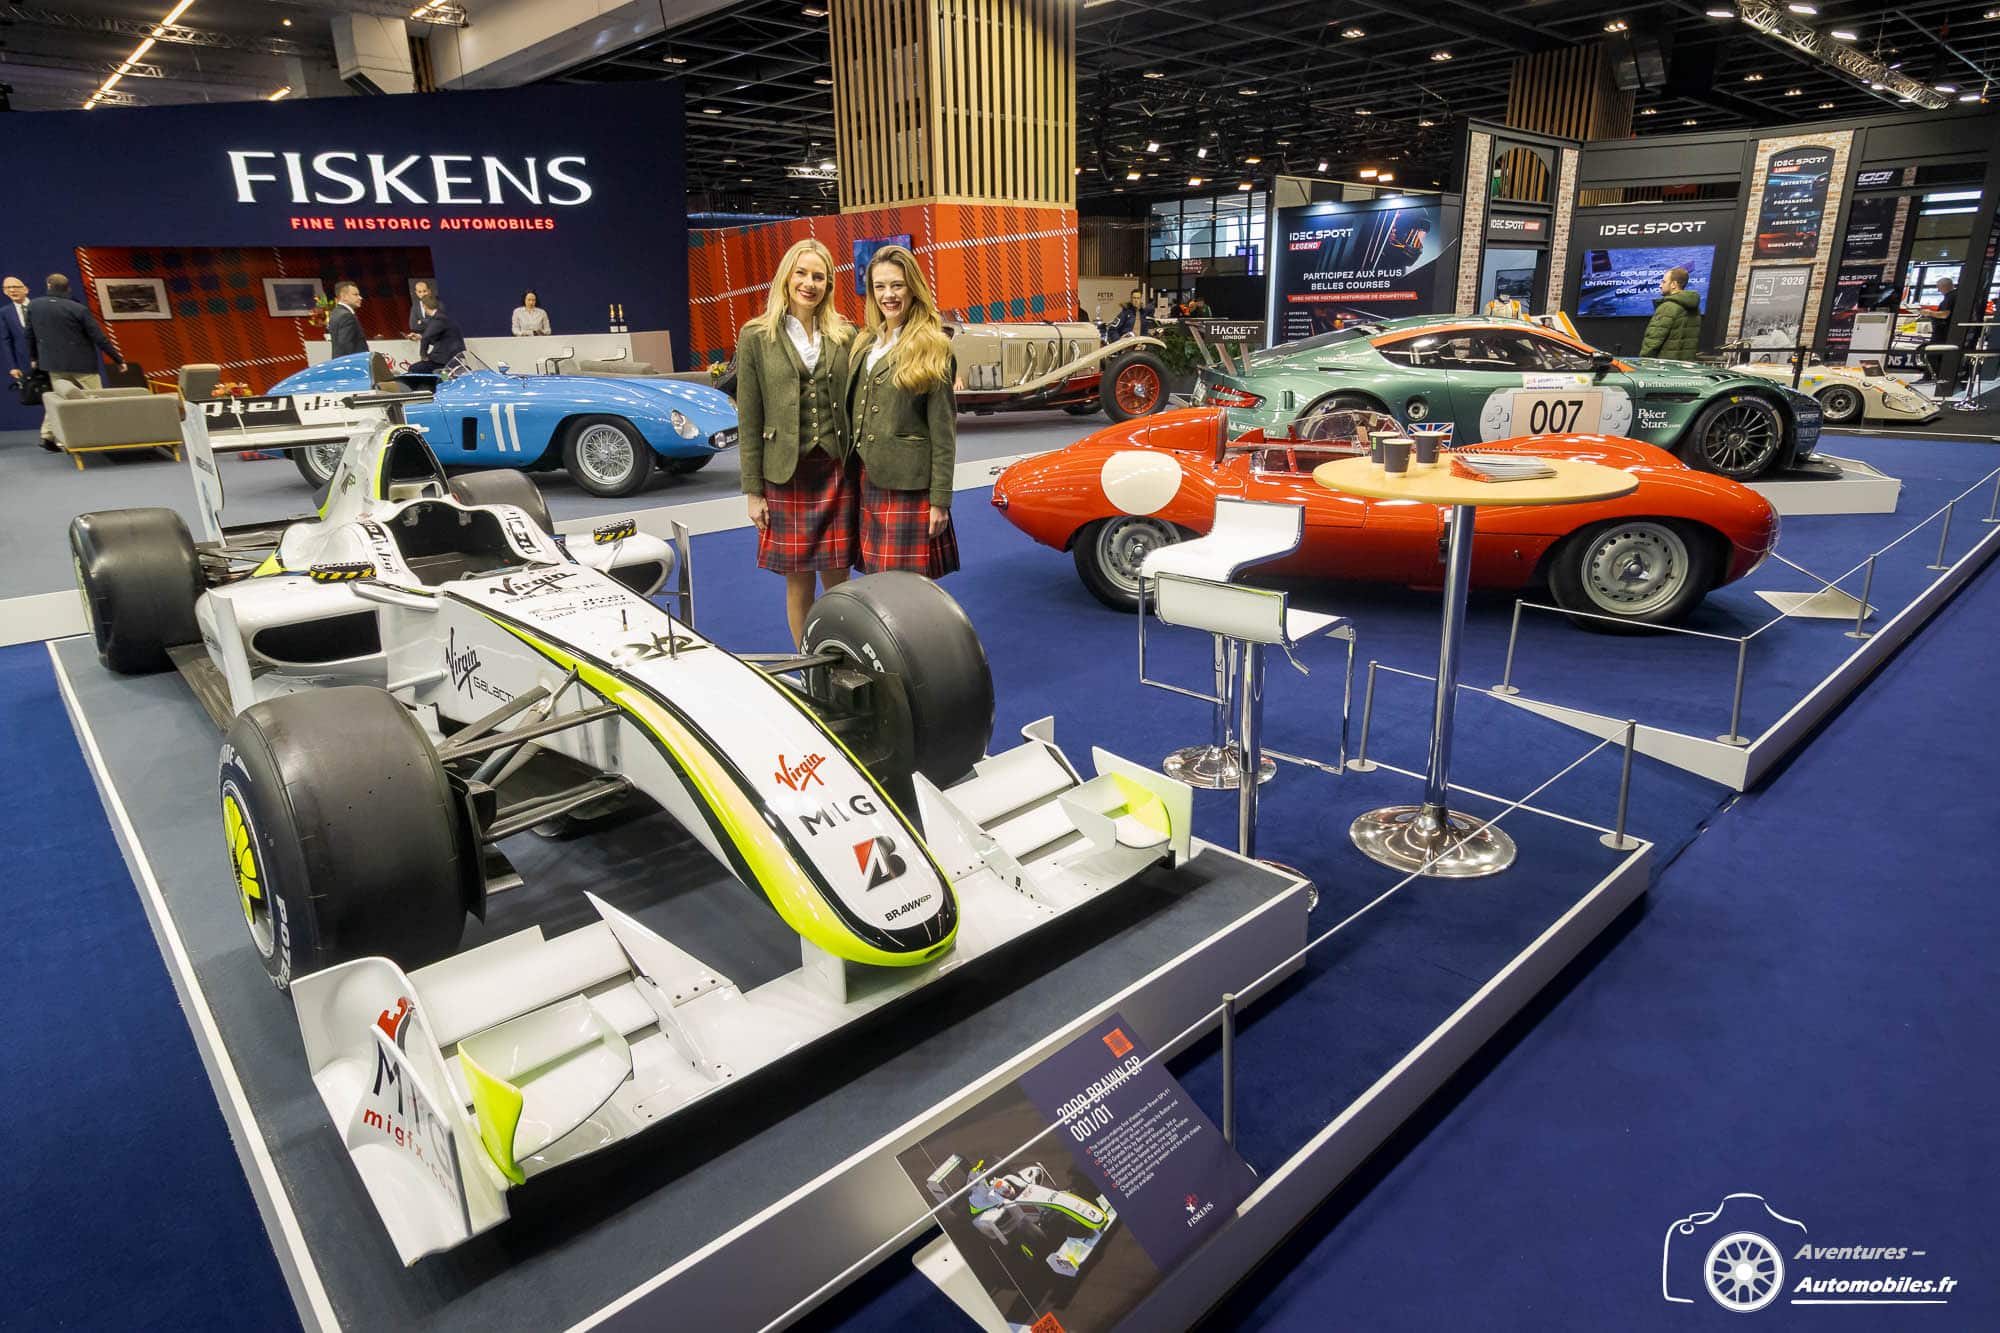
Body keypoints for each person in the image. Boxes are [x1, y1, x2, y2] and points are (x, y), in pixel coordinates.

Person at [737, 239, 857, 646]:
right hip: (786, 473)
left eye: (818, 276)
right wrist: (753, 491)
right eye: (801, 273)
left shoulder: (844, 334)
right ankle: (810, 663)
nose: (809, 283)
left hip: (836, 469)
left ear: (829, 285)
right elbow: (749, 416)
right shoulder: (756, 335)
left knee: (839, 577)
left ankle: (844, 653)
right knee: (799, 581)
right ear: (786, 277)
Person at [846, 244, 958, 580]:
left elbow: (944, 432)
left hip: (910, 486)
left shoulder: (933, 345)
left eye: (897, 285)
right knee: (877, 580)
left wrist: (940, 500)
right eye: (879, 286)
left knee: (908, 587)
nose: (888, 295)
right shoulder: (865, 342)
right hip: (865, 479)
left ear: (913, 288)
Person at [26, 273, 125, 450]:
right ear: (67, 288)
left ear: (48, 285)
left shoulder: (34, 305)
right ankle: (105, 435)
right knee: (97, 398)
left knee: (58, 398)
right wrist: (118, 359)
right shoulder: (78, 309)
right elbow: (98, 337)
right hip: (82, 364)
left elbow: (29, 334)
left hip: (53, 363)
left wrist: (33, 357)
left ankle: (47, 434)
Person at [1638, 266, 1701, 359]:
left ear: (1673, 284)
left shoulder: (1668, 307)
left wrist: (1643, 361)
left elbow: (1653, 340)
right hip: (1685, 364)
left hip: (1664, 365)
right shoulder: (1695, 308)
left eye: (1663, 282)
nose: (1660, 285)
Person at [408, 295, 465, 375]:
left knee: (413, 369)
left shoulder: (438, 319)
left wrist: (423, 356)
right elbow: (443, 338)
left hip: (444, 360)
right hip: (451, 358)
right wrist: (420, 336)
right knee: (440, 374)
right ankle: (442, 379)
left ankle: (437, 381)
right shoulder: (443, 316)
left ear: (424, 306)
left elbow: (426, 337)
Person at [2, 276, 31, 387]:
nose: (12, 290)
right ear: (4, 292)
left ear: (25, 289)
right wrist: (13, 366)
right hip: (24, 363)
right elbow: (6, 340)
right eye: (7, 288)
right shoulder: (4, 312)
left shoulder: (38, 306)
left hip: (48, 360)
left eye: (15, 287)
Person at [327, 281, 367, 359]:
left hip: (340, 361)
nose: (360, 298)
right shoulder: (347, 316)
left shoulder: (335, 312)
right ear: (344, 296)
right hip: (351, 363)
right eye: (355, 294)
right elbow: (345, 345)